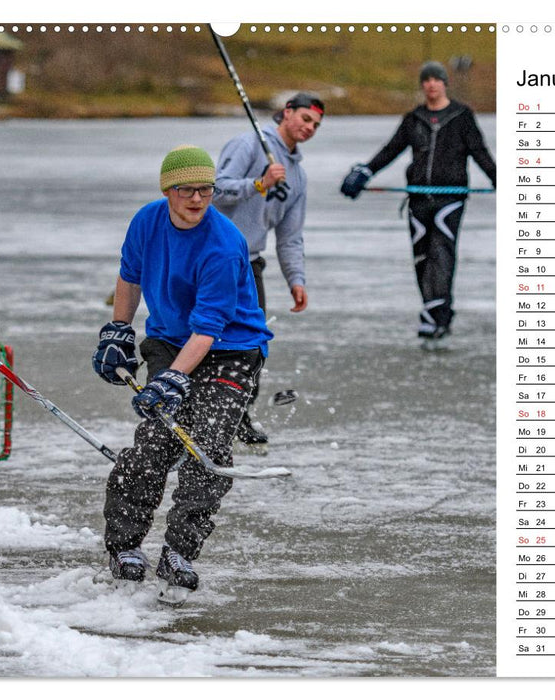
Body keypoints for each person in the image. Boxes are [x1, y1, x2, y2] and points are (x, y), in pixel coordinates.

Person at [92, 145, 272, 597]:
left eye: (206, 190)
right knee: (154, 442)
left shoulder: (225, 244)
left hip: (231, 349)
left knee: (206, 445)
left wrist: (174, 379)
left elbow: (208, 329)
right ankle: (125, 545)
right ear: (167, 190)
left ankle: (180, 551)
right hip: (170, 339)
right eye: (186, 190)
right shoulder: (146, 222)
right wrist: (118, 330)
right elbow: (130, 278)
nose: (197, 199)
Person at [340, 61, 496, 347]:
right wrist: (363, 172)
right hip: (418, 199)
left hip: (450, 199)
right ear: (423, 85)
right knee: (422, 258)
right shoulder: (414, 119)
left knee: (442, 255)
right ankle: (431, 310)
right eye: (427, 80)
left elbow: (479, 151)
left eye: (437, 79)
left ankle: (438, 317)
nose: (432, 84)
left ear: (445, 83)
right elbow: (391, 149)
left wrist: (498, 177)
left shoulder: (462, 116)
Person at [213, 91, 323, 446]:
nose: (309, 128)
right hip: (213, 257)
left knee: (254, 345)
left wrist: (297, 279)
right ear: (287, 113)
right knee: (205, 336)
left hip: (250, 264)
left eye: (316, 125)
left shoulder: (299, 177)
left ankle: (238, 416)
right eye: (305, 119)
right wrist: (258, 184)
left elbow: (290, 237)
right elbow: (211, 192)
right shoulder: (249, 144)